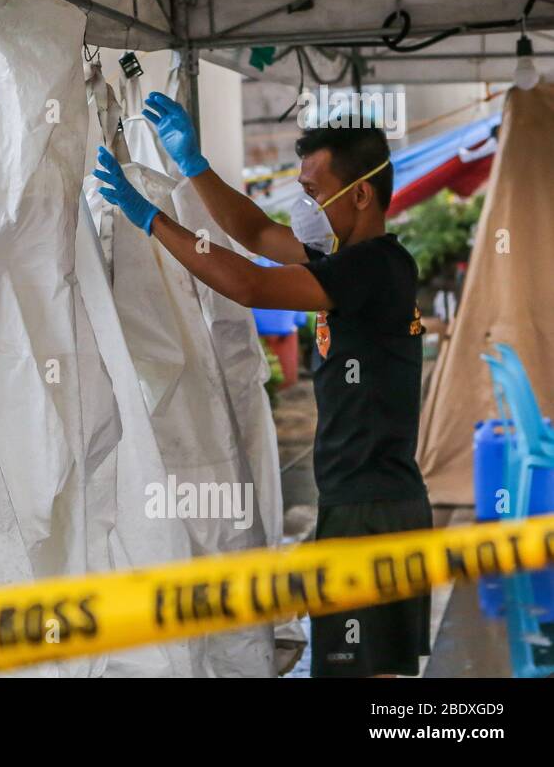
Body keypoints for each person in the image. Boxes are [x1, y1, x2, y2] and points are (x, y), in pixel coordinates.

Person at [94, 91, 430, 678]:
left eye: (313, 193)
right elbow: (253, 232)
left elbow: (250, 286)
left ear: (360, 194)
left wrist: (153, 221)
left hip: (373, 513)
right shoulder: (346, 259)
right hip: (360, 502)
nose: (304, 205)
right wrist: (194, 167)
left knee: (364, 673)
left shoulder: (372, 268)